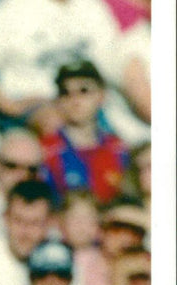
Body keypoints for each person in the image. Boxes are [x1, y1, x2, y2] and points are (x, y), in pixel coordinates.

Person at [40, 60, 129, 205]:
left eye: (84, 91)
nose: (75, 100)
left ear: (101, 96)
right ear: (58, 100)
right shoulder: (45, 151)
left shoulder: (119, 149)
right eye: (65, 92)